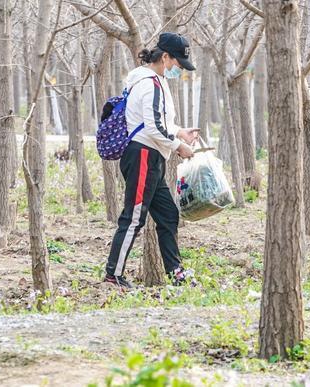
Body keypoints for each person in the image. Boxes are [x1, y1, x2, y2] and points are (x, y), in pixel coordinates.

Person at [104, 32, 199, 288]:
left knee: (168, 214)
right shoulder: (149, 83)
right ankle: (114, 275)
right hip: (143, 154)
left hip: (153, 155)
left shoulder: (156, 81)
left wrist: (180, 132)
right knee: (134, 217)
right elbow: (154, 127)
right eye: (177, 63)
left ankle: (175, 273)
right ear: (165, 57)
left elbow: (159, 122)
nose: (178, 68)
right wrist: (180, 146)